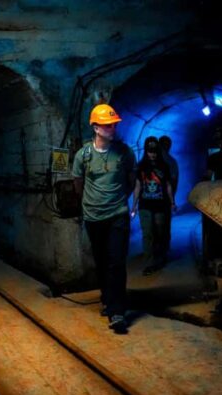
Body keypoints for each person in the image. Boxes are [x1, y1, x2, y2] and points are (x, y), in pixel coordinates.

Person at [72, 104, 137, 333]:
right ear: (96, 128)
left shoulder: (124, 153)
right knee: (101, 261)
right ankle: (107, 299)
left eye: (114, 124)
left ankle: (117, 310)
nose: (113, 128)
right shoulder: (83, 155)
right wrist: (91, 205)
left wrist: (120, 201)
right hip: (93, 216)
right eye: (108, 125)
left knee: (117, 261)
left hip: (117, 214)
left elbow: (131, 180)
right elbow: (78, 184)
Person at [132, 137, 176, 275]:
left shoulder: (164, 166)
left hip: (161, 205)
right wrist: (134, 206)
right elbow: (138, 186)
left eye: (155, 151)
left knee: (160, 231)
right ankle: (149, 263)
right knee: (147, 233)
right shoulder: (141, 166)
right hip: (145, 205)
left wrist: (172, 202)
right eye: (150, 151)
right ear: (146, 151)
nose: (153, 154)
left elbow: (168, 185)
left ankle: (160, 257)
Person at [158, 135, 179, 253]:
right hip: (165, 198)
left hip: (158, 198)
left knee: (161, 224)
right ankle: (163, 247)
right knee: (165, 223)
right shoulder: (172, 162)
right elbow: (174, 181)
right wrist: (172, 199)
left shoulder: (170, 162)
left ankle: (159, 248)